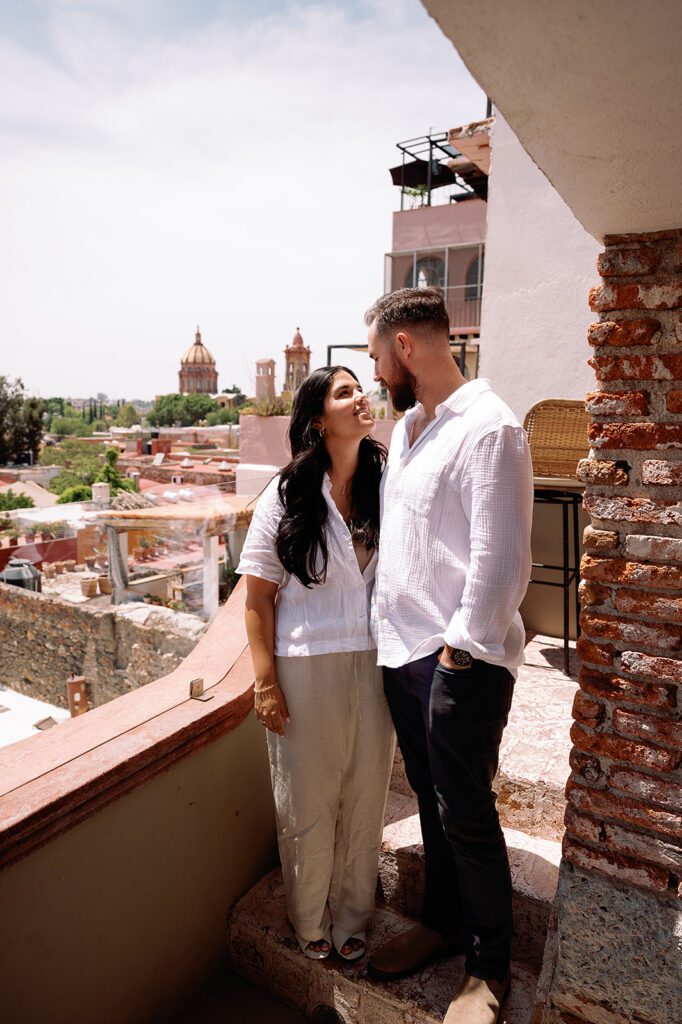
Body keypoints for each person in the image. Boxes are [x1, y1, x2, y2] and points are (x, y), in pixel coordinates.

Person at [364, 288, 533, 1024]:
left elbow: (501, 562)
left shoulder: (490, 428)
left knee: (464, 813)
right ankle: (439, 924)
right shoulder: (407, 429)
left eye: (375, 354)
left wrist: (460, 659)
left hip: (456, 659)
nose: (373, 371)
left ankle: (488, 970)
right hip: (400, 650)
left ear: (404, 346)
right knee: (435, 812)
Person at [238, 365, 395, 963]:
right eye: (345, 392)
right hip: (305, 666)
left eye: (362, 388)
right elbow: (256, 598)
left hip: (377, 660)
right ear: (317, 418)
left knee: (364, 797)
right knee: (307, 801)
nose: (362, 398)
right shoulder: (286, 496)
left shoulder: (387, 483)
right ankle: (309, 920)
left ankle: (353, 914)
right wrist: (265, 684)